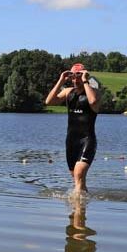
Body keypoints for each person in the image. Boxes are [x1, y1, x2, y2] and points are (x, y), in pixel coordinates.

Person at [44, 63, 100, 194]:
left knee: (79, 173)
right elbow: (49, 101)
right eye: (73, 77)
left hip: (87, 140)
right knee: (77, 178)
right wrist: (61, 80)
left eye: (78, 76)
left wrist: (85, 80)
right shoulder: (68, 92)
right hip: (71, 141)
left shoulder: (94, 92)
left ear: (85, 76)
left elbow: (93, 101)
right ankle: (81, 203)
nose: (75, 80)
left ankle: (77, 202)